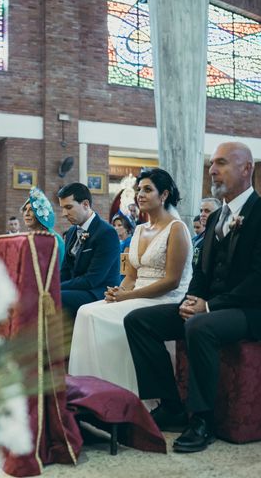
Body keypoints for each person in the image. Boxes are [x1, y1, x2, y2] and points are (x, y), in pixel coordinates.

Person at [124, 142, 261, 454]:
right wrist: (192, 299)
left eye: (222, 163)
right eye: (212, 164)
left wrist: (209, 306)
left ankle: (202, 420)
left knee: (200, 326)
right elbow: (201, 272)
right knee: (138, 321)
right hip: (214, 307)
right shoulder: (216, 218)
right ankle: (171, 405)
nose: (212, 170)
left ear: (246, 169)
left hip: (257, 311)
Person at [68, 169, 192, 395]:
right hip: (137, 294)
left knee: (96, 316)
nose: (140, 195)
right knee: (85, 311)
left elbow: (172, 281)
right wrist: (117, 292)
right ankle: (93, 392)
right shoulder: (141, 230)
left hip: (165, 299)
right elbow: (132, 277)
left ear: (164, 195)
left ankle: (127, 393)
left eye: (147, 190)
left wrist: (128, 296)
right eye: (138, 190)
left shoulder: (177, 228)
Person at [57, 183, 120, 319]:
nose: (64, 214)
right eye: (62, 208)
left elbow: (92, 279)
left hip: (99, 292)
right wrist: (49, 286)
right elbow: (65, 270)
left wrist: (55, 287)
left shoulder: (106, 233)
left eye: (68, 207)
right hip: (78, 288)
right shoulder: (72, 231)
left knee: (56, 297)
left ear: (85, 204)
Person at [21, 187, 65, 266]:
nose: (26, 213)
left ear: (41, 213)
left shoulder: (53, 239)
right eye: (25, 209)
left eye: (31, 210)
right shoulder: (28, 236)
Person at [192, 198, 221, 266]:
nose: (202, 214)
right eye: (201, 211)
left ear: (218, 212)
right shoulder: (199, 237)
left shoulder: (219, 235)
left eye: (207, 211)